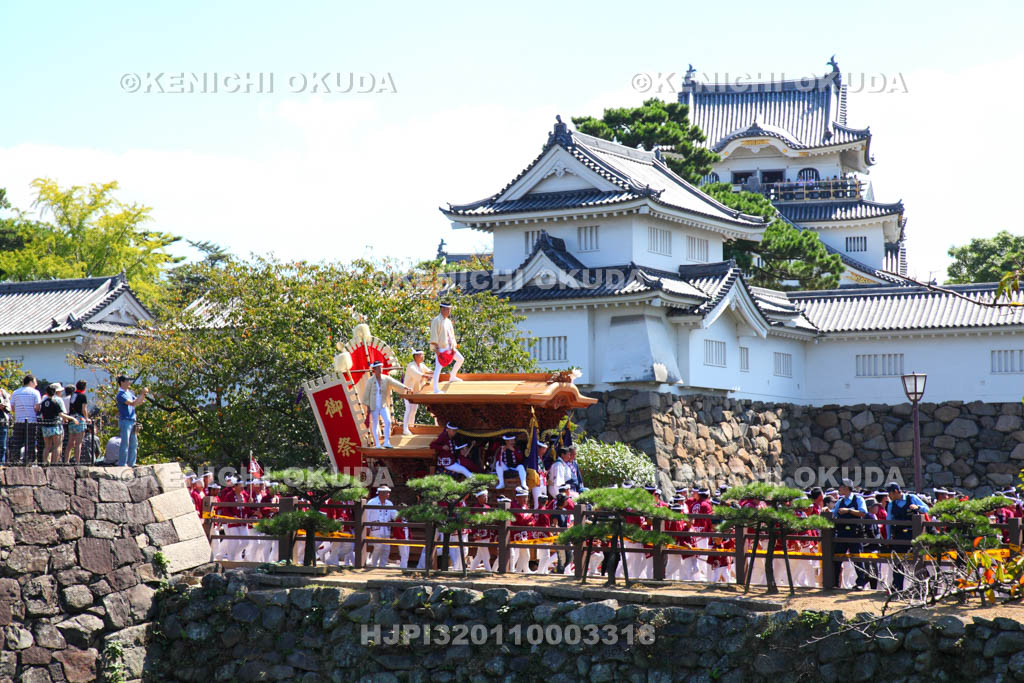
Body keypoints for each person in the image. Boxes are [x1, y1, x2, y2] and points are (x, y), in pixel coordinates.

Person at [886, 482, 929, 590]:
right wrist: (888, 538)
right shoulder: (891, 504)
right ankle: (897, 587)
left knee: (918, 560)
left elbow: (927, 509)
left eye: (890, 493)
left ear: (895, 491)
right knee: (898, 561)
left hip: (913, 535)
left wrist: (918, 507)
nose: (889, 496)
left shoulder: (912, 498)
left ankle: (920, 586)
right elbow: (888, 522)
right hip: (899, 535)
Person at [360, 361, 411, 449]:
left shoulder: (386, 378)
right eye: (378, 368)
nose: (380, 369)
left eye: (381, 367)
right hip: (373, 405)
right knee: (375, 423)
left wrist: (405, 387)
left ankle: (386, 442)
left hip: (383, 404)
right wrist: (368, 407)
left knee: (388, 421)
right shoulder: (370, 381)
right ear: (374, 370)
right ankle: (377, 444)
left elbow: (395, 383)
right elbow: (366, 394)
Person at [832, 479, 869, 590]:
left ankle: (861, 582)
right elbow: (834, 515)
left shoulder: (858, 499)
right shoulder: (840, 501)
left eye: (841, 486)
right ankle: (835, 583)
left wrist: (848, 510)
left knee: (857, 557)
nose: (839, 489)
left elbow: (863, 512)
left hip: (855, 533)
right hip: (842, 533)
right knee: (837, 557)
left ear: (847, 487)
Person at [428, 301, 464, 393]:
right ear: (442, 309)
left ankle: (452, 376)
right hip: (441, 348)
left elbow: (451, 335)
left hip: (450, 347)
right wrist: (437, 350)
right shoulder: (436, 320)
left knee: (460, 359)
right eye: (447, 309)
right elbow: (434, 335)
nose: (449, 311)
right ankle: (435, 389)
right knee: (438, 368)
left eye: (449, 309)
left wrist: (453, 346)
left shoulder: (448, 321)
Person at [39, 383, 78, 464]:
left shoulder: (43, 402)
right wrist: (72, 418)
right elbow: (61, 414)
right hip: (55, 425)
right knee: (57, 446)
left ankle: (44, 462)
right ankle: (54, 463)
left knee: (47, 446)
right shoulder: (56, 401)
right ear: (55, 392)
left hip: (45, 426)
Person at [115, 375, 148, 466]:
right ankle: (122, 463)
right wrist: (141, 394)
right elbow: (132, 403)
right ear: (122, 382)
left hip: (132, 420)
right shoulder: (121, 395)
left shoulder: (128, 392)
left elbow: (139, 402)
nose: (129, 382)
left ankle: (132, 463)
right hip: (125, 420)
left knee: (134, 443)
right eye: (127, 380)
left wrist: (143, 394)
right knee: (125, 443)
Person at [9, 374, 41, 463]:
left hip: (18, 420)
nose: (36, 384)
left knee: (17, 442)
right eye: (35, 382)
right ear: (31, 382)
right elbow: (37, 407)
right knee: (30, 442)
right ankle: (29, 461)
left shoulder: (15, 392)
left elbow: (12, 407)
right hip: (31, 421)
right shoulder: (35, 392)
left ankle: (15, 460)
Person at [365, 485, 397, 568]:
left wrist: (403, 515)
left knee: (386, 549)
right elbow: (366, 516)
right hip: (375, 529)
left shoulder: (389, 503)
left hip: (386, 529)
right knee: (378, 547)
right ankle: (373, 564)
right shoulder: (371, 502)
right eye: (387, 493)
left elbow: (394, 515)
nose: (388, 494)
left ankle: (382, 566)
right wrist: (367, 528)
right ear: (382, 493)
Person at [401, 350, 431, 435]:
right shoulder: (411, 366)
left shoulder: (422, 365)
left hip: (415, 392)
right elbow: (417, 373)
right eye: (422, 355)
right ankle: (405, 428)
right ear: (416, 356)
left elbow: (428, 371)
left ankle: (411, 426)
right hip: (408, 391)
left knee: (414, 410)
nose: (423, 356)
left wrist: (436, 373)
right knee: (409, 409)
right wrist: (426, 376)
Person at [65, 380, 90, 464]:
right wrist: (87, 418)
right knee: (78, 443)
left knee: (70, 442)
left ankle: (66, 461)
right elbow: (84, 409)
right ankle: (77, 462)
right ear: (84, 388)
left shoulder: (73, 395)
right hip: (80, 419)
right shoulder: (83, 396)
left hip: (72, 419)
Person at [0, 383, 9, 464]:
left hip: (2, 423)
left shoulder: (3, 393)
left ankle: (1, 465)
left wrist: (4, 407)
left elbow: (9, 408)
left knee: (3, 447)